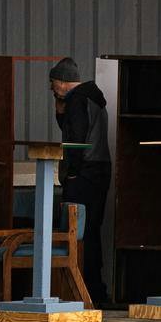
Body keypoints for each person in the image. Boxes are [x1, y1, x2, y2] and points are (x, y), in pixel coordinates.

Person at [49, 58, 111, 306]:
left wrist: (71, 173)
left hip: (84, 173)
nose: (52, 89)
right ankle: (95, 290)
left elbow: (75, 138)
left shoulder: (76, 100)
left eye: (53, 83)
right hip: (99, 170)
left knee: (76, 232)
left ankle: (80, 289)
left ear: (63, 82)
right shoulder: (93, 97)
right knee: (92, 232)